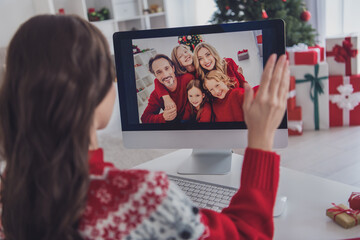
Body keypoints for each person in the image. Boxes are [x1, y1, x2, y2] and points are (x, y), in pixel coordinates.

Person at [0, 14, 290, 240]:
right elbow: (247, 234)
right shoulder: (140, 196)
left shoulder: (12, 190)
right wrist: (261, 138)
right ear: (99, 90)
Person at [140, 54, 194, 123]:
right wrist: (163, 117)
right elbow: (144, 118)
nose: (165, 75)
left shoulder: (188, 79)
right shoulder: (155, 94)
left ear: (173, 68)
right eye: (159, 72)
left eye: (167, 68)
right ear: (155, 75)